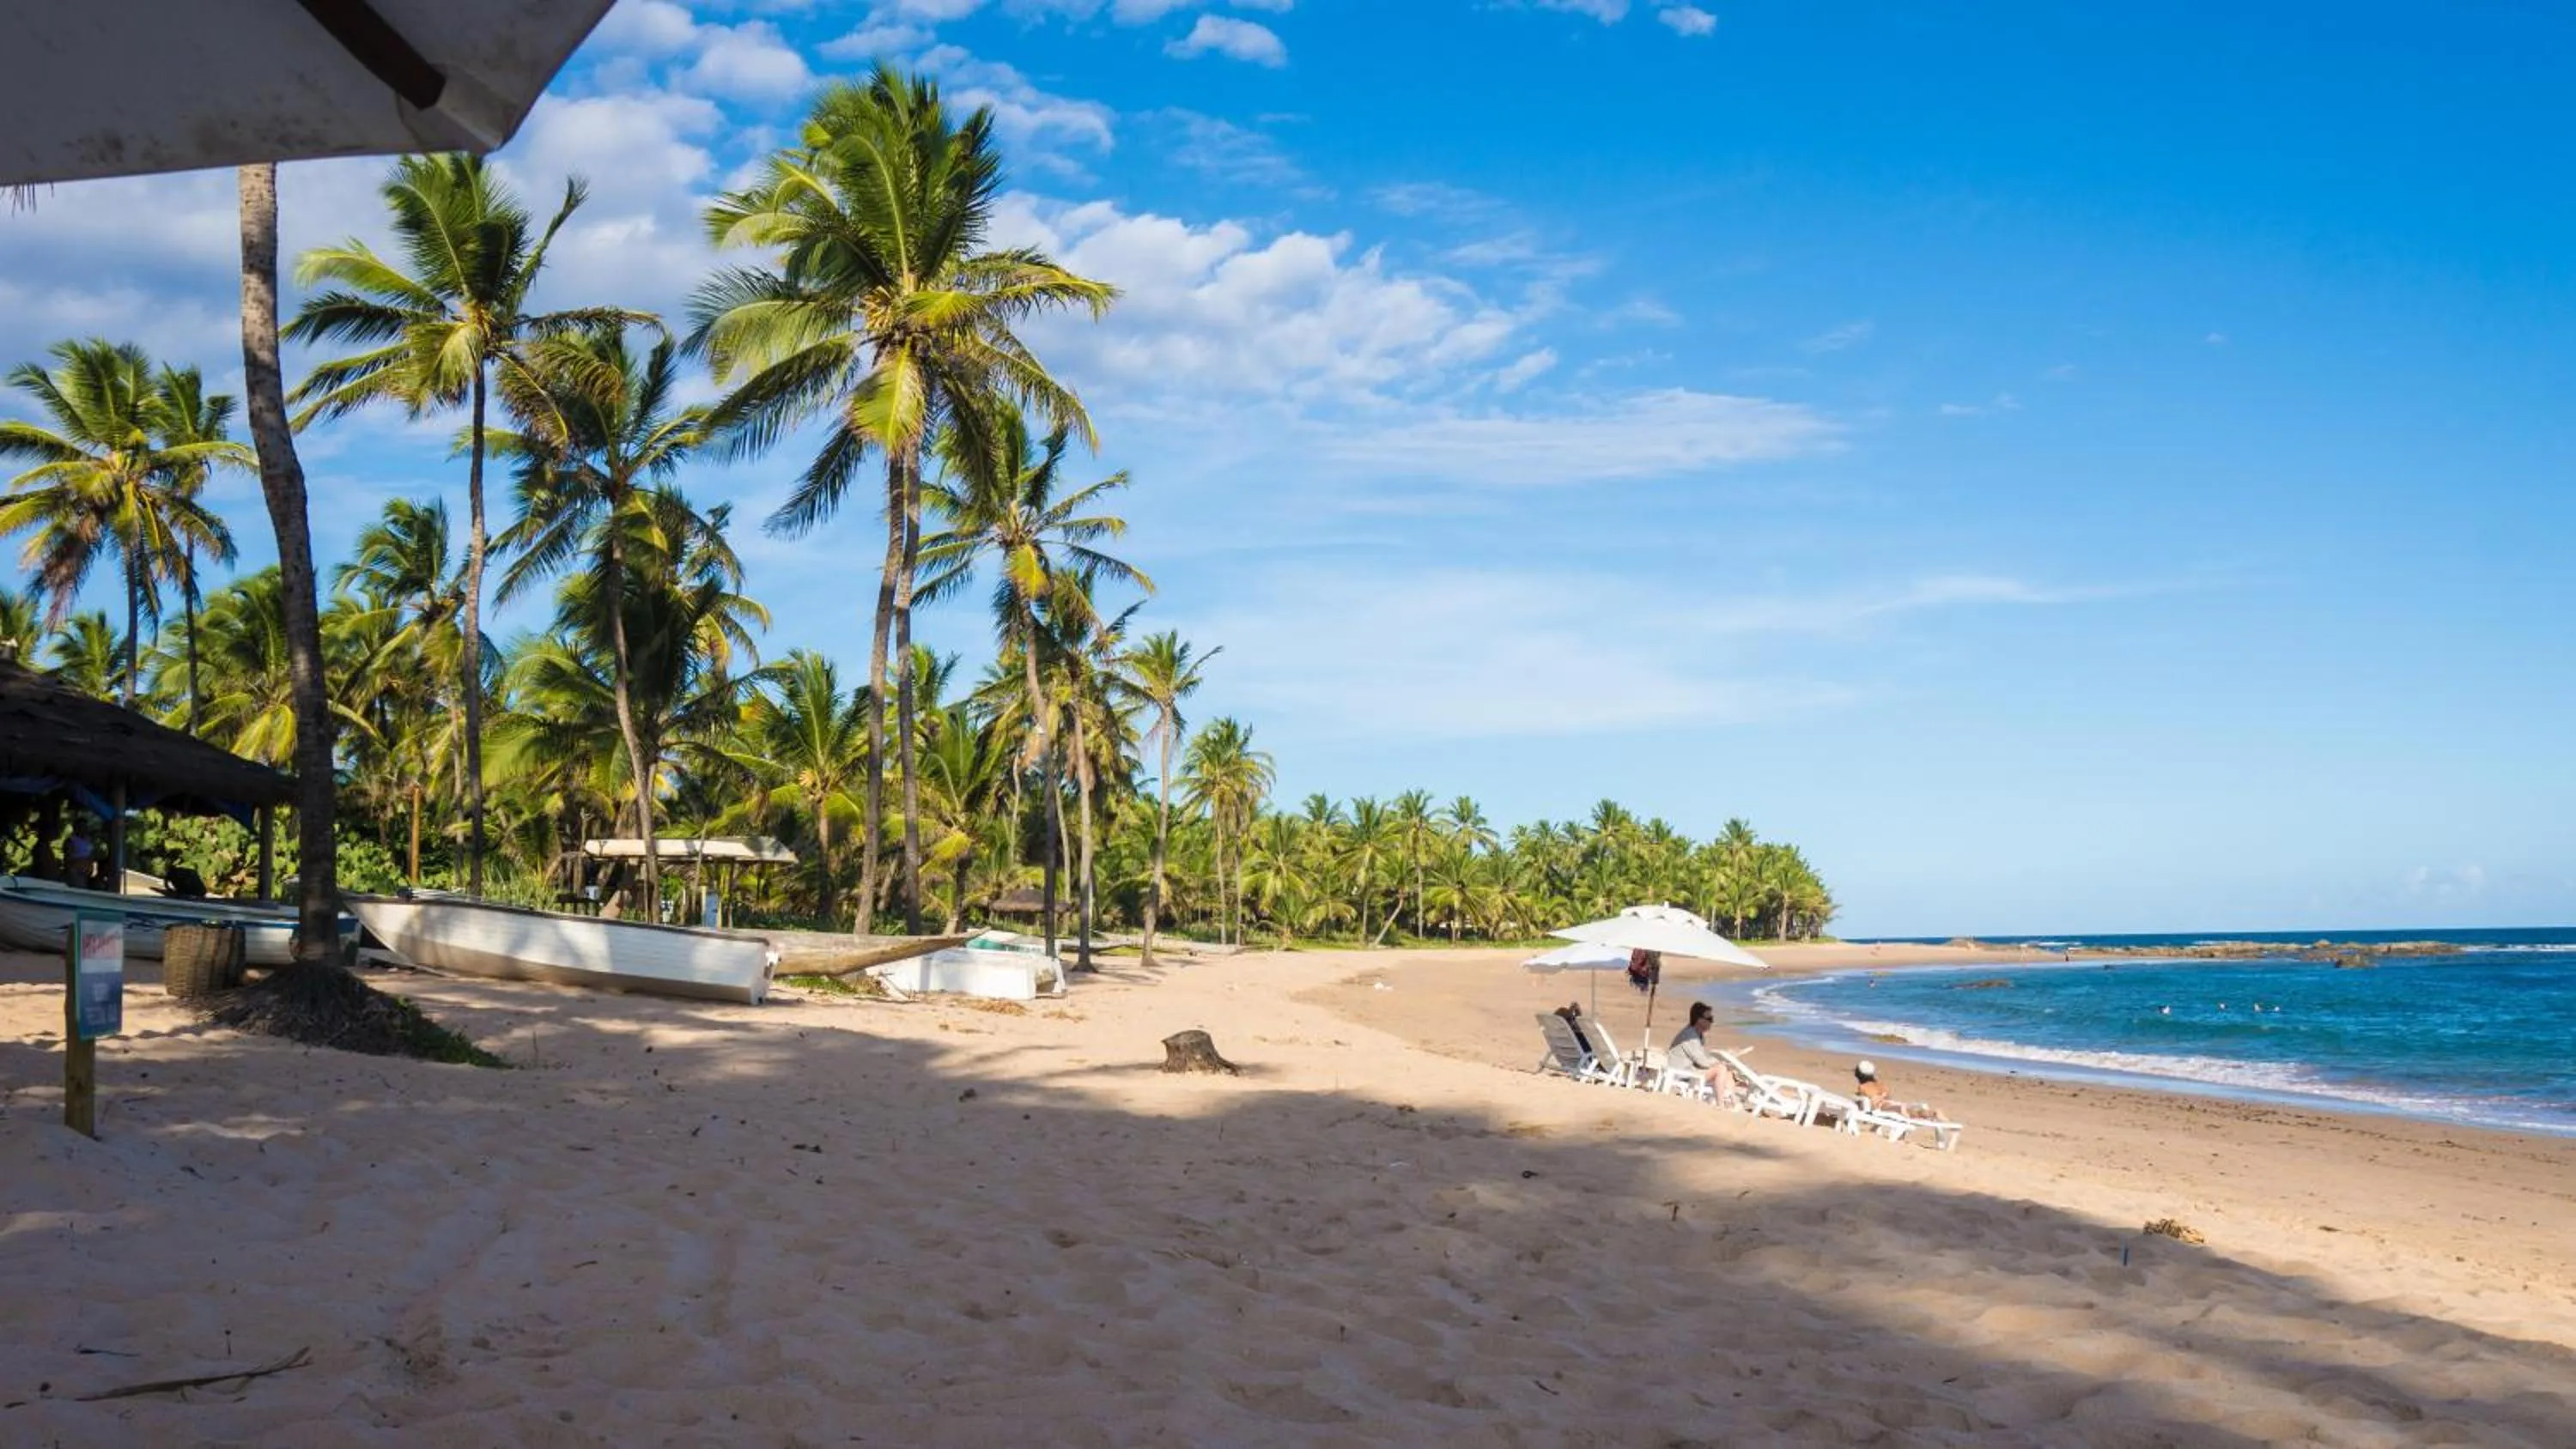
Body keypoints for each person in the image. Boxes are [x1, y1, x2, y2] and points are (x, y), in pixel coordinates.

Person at [1666, 1002, 1726, 1099]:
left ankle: (1732, 1101)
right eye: (1709, 1019)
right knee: (1721, 1069)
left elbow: (1701, 1059)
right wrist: (1718, 1061)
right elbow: (1702, 1061)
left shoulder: (1697, 1035)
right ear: (1699, 1020)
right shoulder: (1690, 1036)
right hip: (1682, 1074)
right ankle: (1721, 1103)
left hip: (1688, 1070)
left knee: (1727, 1071)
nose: (1711, 1022)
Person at [1853, 1060, 1940, 1120]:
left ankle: (1929, 1113)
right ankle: (1932, 1113)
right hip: (1892, 1103)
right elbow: (1888, 1097)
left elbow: (1865, 1104)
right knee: (1912, 1111)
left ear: (1859, 1074)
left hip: (1884, 1107)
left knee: (1902, 1111)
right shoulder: (1881, 1085)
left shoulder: (1863, 1087)